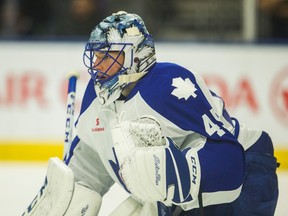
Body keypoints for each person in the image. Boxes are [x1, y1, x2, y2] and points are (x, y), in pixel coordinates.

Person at [23, 11, 279, 216]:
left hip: (249, 176)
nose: (99, 65)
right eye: (97, 56)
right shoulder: (96, 94)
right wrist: (67, 189)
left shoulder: (169, 84)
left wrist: (184, 175)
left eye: (109, 56)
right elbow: (90, 160)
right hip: (176, 200)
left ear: (137, 56)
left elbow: (229, 161)